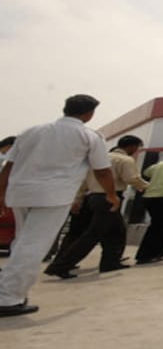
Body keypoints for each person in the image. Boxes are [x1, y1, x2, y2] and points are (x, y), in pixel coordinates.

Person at [0, 95, 117, 317]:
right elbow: (102, 171)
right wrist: (111, 194)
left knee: (22, 241)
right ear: (89, 113)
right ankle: (8, 297)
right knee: (33, 245)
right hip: (53, 196)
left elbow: (8, 167)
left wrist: (0, 194)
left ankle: (10, 289)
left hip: (20, 193)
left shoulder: (31, 131)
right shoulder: (89, 136)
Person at [44, 135, 149, 278]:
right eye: (137, 147)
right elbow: (131, 178)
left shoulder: (99, 159)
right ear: (132, 146)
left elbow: (84, 183)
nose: (136, 150)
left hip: (94, 197)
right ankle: (61, 265)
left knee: (116, 232)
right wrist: (148, 186)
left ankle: (110, 262)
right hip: (110, 198)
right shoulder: (125, 160)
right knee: (93, 234)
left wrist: (78, 200)